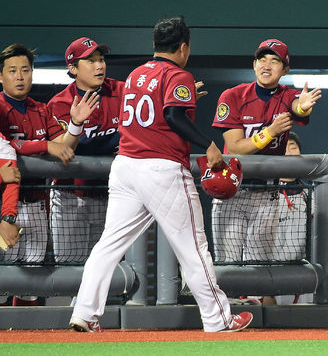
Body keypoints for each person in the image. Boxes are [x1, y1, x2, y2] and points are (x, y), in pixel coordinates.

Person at [69, 16, 252, 332]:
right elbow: (173, 115)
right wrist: (208, 144)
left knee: (109, 245)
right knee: (193, 247)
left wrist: (184, 97)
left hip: (125, 167)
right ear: (183, 47)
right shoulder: (178, 74)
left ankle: (84, 313)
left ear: (155, 44)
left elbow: (160, 107)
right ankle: (218, 318)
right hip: (161, 168)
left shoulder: (136, 74)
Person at [0, 43, 97, 308]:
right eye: (12, 71)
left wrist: (76, 124)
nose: (20, 76)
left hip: (36, 204)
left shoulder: (40, 109)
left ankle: (24, 331)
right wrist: (44, 145)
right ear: (1, 76)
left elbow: (63, 147)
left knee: (31, 283)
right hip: (4, 203)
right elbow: (8, 145)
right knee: (2, 282)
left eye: (25, 70)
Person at [211, 39, 321, 263]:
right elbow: (235, 148)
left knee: (260, 265)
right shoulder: (232, 96)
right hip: (232, 189)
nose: (267, 66)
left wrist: (303, 107)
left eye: (274, 61)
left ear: (285, 70)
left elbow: (297, 106)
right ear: (254, 65)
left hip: (267, 192)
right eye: (262, 59)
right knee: (228, 263)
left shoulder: (287, 96)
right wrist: (270, 132)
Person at [48, 37, 125, 263]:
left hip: (110, 195)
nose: (99, 66)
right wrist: (117, 138)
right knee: (70, 268)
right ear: (73, 68)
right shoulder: (61, 103)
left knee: (106, 270)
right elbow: (68, 149)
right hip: (70, 196)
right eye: (90, 61)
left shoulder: (122, 91)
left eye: (101, 59)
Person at [268, 131, 314, 305]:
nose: (288, 152)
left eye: (292, 147)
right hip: (271, 277)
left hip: (304, 275)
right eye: (283, 148)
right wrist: (264, 292)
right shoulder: (263, 194)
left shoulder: (311, 195)